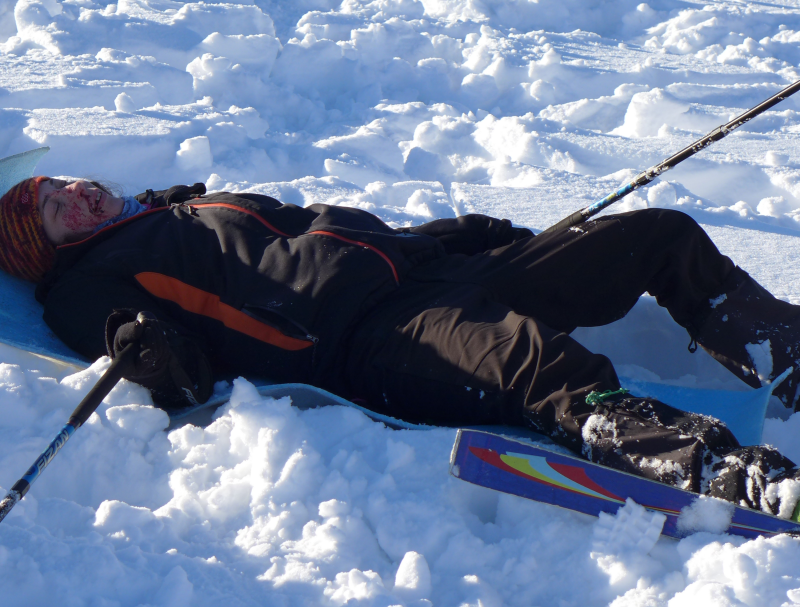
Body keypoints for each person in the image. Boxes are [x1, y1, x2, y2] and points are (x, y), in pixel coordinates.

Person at [2, 174, 800, 518]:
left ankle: (787, 355)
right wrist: (148, 351)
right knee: (540, 366)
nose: (77, 197)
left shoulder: (178, 211)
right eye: (56, 211)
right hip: (365, 337)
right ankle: (720, 470)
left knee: (658, 237)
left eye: (66, 187)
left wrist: (453, 237)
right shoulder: (84, 283)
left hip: (428, 270)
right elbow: (154, 357)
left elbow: (322, 230)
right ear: (46, 250)